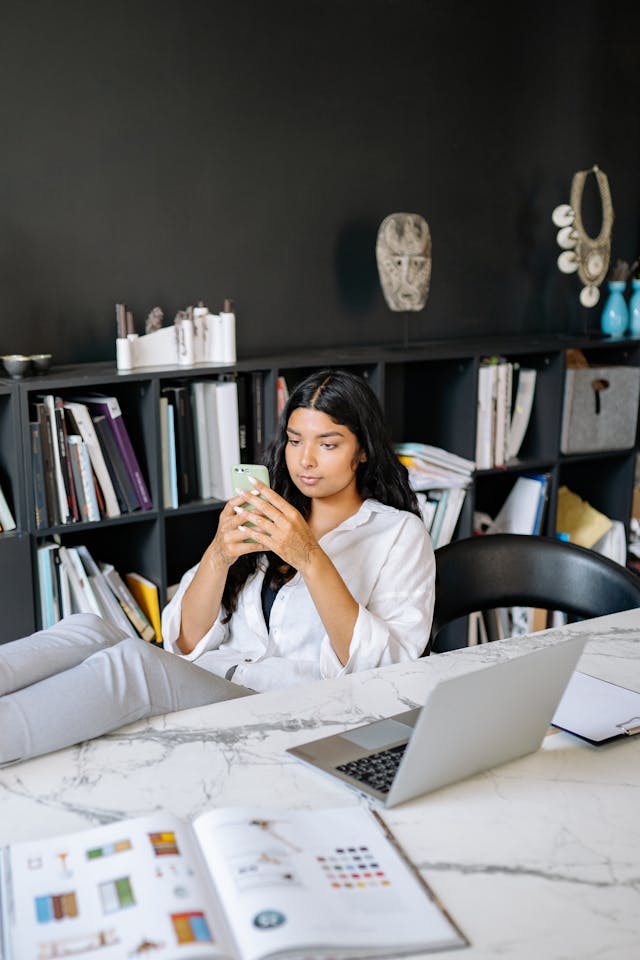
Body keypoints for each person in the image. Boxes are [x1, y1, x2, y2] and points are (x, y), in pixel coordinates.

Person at [0, 369, 434, 765]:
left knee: (132, 662)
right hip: (212, 678)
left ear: (362, 451)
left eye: (329, 444)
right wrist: (219, 554)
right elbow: (184, 640)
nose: (304, 460)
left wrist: (310, 557)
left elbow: (391, 666)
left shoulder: (397, 534)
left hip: (284, 705)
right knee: (88, 628)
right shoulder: (269, 510)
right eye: (295, 439)